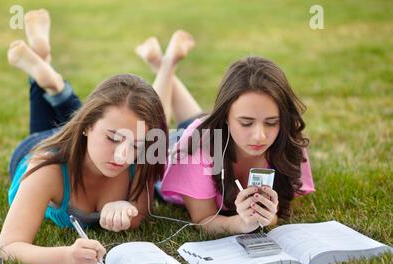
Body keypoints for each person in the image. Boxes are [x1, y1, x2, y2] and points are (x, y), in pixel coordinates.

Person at [0, 9, 168, 264]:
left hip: (81, 138)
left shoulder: (139, 162)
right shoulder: (46, 169)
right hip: (37, 147)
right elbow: (8, 247)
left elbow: (140, 214)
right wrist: (65, 258)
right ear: (86, 126)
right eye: (113, 138)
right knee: (58, 126)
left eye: (137, 144)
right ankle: (45, 78)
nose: (123, 156)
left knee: (100, 116)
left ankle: (47, 72)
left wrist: (127, 209)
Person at [135, 31, 315, 235]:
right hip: (175, 147)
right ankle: (167, 65)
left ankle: (162, 62)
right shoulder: (196, 149)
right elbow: (204, 219)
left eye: (272, 122)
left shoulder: (288, 140)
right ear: (225, 117)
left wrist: (268, 217)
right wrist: (240, 224)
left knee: (196, 121)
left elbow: (281, 208)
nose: (260, 136)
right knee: (153, 130)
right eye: (246, 123)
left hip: (213, 133)